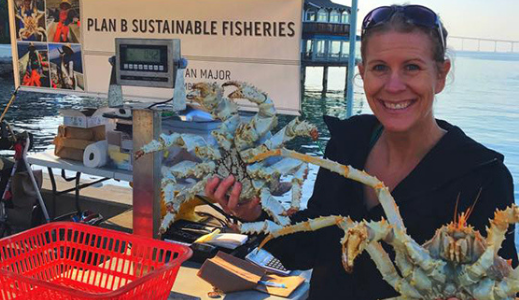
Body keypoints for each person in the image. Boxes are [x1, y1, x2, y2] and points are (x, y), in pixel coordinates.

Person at [205, 4, 518, 300]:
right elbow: (310, 247)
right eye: (379, 68)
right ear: (362, 72)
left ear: (440, 74)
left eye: (412, 67)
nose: (394, 86)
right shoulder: (347, 142)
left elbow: (502, 282)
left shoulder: (483, 176)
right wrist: (254, 214)